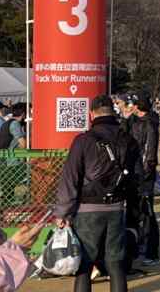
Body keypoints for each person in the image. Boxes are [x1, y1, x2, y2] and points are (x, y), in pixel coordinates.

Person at [54, 95, 140, 292]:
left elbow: (70, 178)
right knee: (115, 263)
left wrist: (63, 212)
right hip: (117, 207)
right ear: (113, 112)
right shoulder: (128, 140)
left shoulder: (83, 140)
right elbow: (137, 177)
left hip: (87, 208)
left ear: (91, 114)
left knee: (85, 265)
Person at [128, 96, 160, 267]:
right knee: (135, 212)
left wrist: (144, 176)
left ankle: (152, 252)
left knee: (147, 213)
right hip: (136, 172)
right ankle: (138, 246)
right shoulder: (135, 122)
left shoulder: (148, 124)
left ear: (137, 106)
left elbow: (150, 154)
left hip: (143, 175)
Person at [0, 103, 27, 209]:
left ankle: (5, 208)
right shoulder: (15, 124)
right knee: (29, 178)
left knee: (7, 189)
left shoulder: (5, 123)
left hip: (3, 161)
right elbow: (23, 144)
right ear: (23, 114)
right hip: (12, 162)